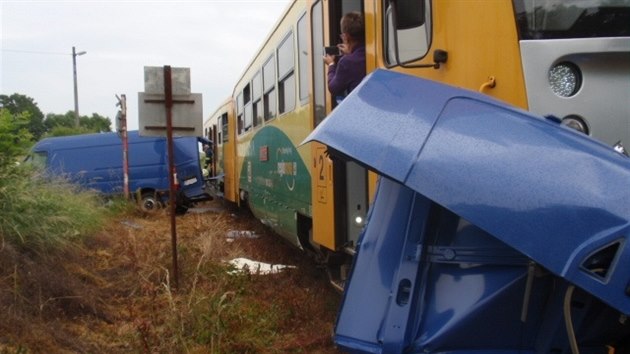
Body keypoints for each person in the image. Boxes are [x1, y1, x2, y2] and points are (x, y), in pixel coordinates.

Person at [323, 11, 366, 103]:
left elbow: (333, 88)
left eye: (342, 36)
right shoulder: (371, 54)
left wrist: (331, 64)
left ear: (346, 37)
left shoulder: (346, 62)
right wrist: (351, 53)